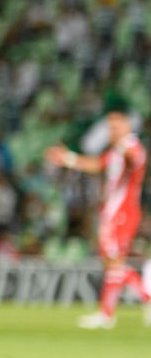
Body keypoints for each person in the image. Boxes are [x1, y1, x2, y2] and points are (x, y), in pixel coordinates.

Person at [46, 95, 146, 329]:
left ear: (127, 127)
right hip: (111, 211)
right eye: (109, 126)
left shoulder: (132, 147)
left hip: (124, 211)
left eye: (116, 126)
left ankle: (108, 313)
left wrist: (124, 144)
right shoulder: (114, 151)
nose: (112, 130)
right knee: (111, 263)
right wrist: (68, 158)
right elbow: (97, 164)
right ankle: (110, 312)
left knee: (114, 261)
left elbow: (135, 162)